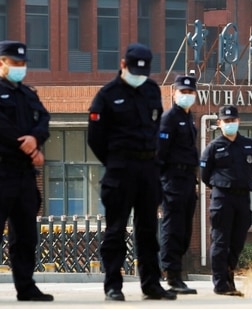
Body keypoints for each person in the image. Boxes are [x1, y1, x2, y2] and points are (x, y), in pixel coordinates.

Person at [87, 43, 176, 302]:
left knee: (148, 230)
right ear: (123, 65)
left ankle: (151, 284)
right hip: (120, 169)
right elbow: (95, 138)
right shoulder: (107, 95)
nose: (139, 76)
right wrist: (115, 160)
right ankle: (113, 285)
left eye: (143, 71)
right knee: (115, 230)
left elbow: (155, 127)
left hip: (148, 169)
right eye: (134, 70)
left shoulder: (151, 90)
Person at [0, 40, 53, 303]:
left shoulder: (29, 94)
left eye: (22, 63)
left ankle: (26, 287)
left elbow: (44, 120)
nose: (19, 68)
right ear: (1, 63)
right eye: (14, 63)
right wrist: (27, 145)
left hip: (24, 175)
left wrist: (35, 140)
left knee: (26, 235)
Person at [200, 106, 252, 296]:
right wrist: (222, 184)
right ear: (219, 124)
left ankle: (229, 276)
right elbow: (204, 174)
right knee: (220, 241)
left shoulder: (249, 144)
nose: (230, 124)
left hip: (243, 197)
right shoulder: (213, 147)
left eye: (233, 120)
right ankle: (220, 284)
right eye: (226, 121)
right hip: (222, 198)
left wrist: (242, 181)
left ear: (238, 121)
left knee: (237, 241)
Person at [158, 75, 199, 294]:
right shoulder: (170, 118)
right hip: (172, 180)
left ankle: (177, 272)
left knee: (184, 230)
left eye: (190, 92)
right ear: (174, 93)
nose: (187, 96)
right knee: (173, 228)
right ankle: (172, 276)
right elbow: (160, 154)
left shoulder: (189, 117)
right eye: (183, 92)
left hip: (187, 180)